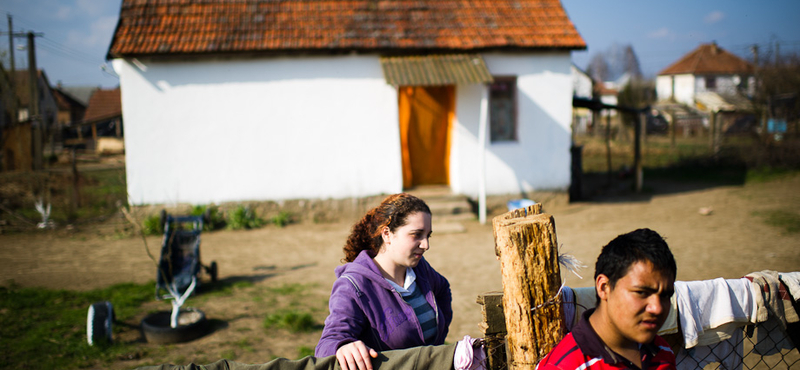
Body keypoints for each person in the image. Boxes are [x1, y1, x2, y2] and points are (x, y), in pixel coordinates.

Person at [315, 193, 453, 370]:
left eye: (428, 235)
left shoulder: (420, 268)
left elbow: (443, 289)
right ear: (387, 234)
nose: (426, 245)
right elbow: (327, 344)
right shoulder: (353, 285)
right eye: (416, 234)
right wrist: (342, 347)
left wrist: (438, 340)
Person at [537, 228, 678, 370]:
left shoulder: (662, 352)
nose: (657, 308)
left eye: (666, 295)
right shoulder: (566, 366)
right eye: (641, 292)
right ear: (604, 287)